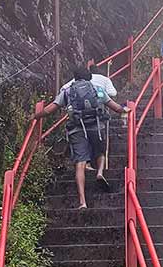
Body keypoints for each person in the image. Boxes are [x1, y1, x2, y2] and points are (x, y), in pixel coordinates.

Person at [41, 61, 129, 209]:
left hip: (76, 129)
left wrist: (35, 116)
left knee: (80, 163)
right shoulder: (98, 89)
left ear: (75, 78)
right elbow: (115, 107)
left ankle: (82, 201)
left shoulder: (68, 91)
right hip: (96, 126)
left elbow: (50, 109)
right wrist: (126, 110)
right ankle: (100, 172)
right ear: (89, 77)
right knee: (100, 151)